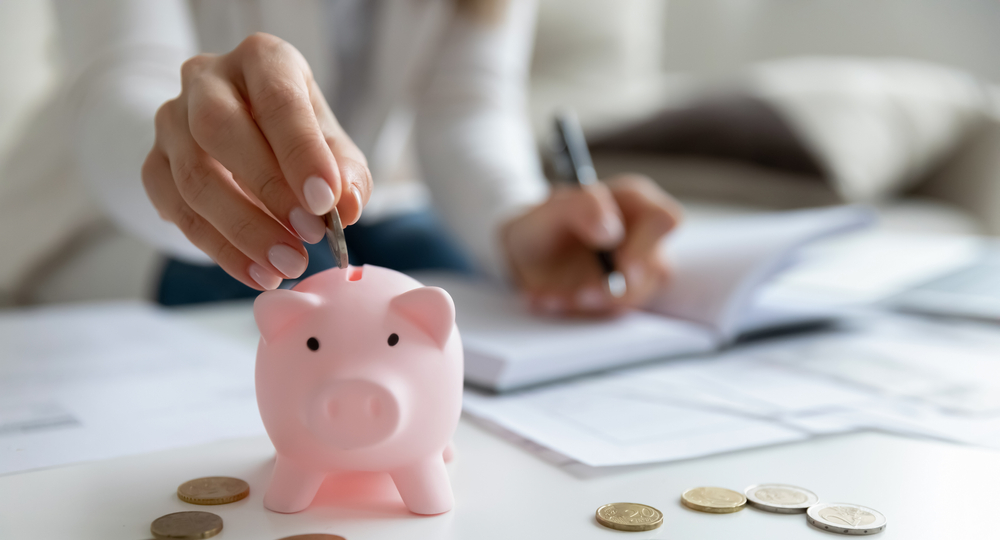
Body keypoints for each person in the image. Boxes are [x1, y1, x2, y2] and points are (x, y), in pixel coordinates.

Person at [54, 0, 681, 314]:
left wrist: (515, 220)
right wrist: (190, 161)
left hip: (366, 214)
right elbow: (116, 86)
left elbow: (467, 104)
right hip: (114, 219)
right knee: (291, 294)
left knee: (451, 285)